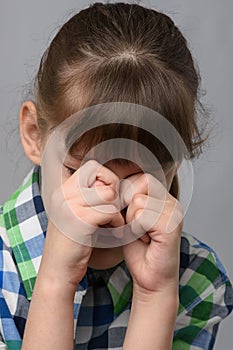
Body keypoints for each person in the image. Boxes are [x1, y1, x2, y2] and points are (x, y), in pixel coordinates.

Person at [0, 2, 232, 349]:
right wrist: (54, 283)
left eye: (138, 180)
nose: (109, 207)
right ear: (35, 134)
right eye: (79, 172)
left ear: (176, 163)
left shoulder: (194, 280)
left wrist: (156, 296)